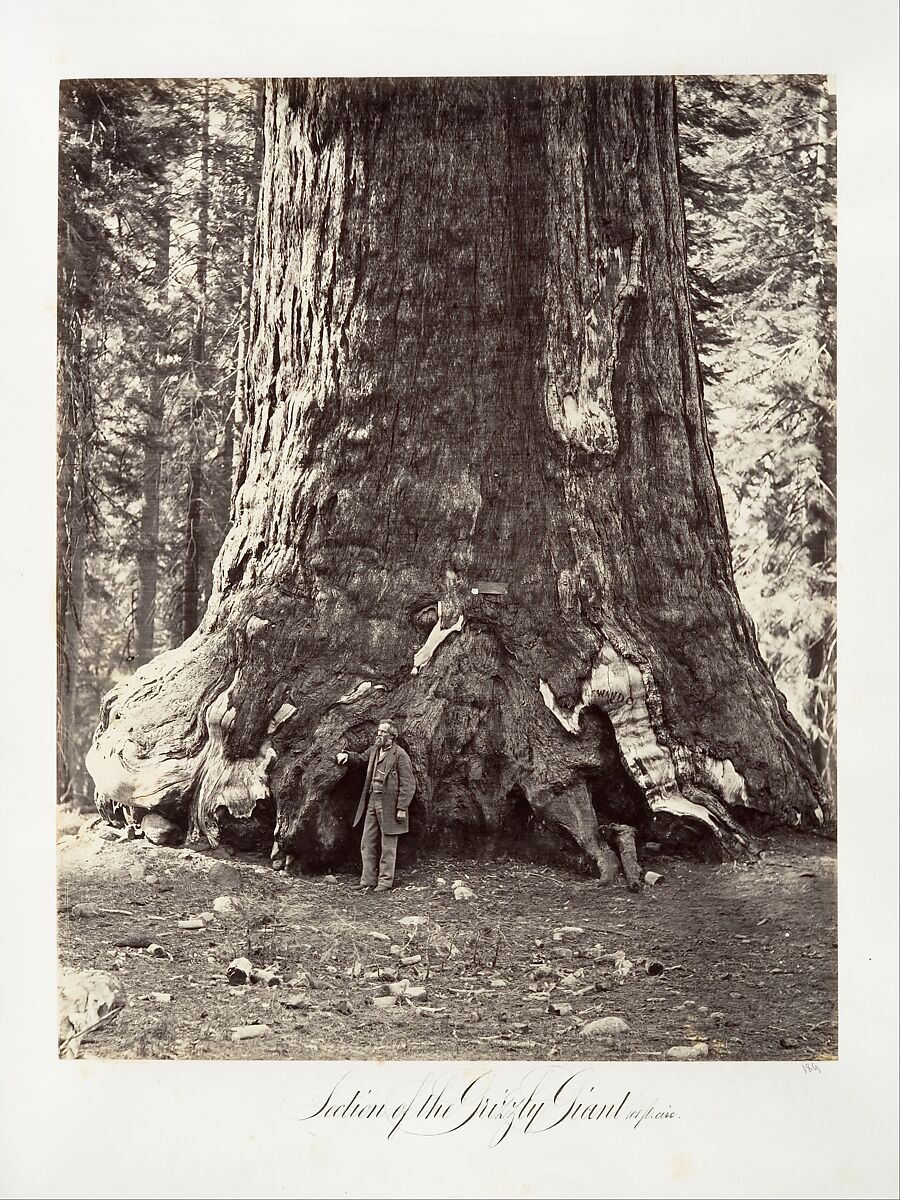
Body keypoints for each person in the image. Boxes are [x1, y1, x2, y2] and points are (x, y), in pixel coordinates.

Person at [336, 720, 416, 893]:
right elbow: (360, 758)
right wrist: (347, 756)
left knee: (388, 845)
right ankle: (367, 880)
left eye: (382, 732)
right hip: (372, 800)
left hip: (390, 804)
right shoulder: (375, 750)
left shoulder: (400, 755)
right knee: (367, 841)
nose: (378, 735)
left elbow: (408, 784)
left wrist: (402, 808)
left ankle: (386, 882)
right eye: (378, 731)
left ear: (392, 736)